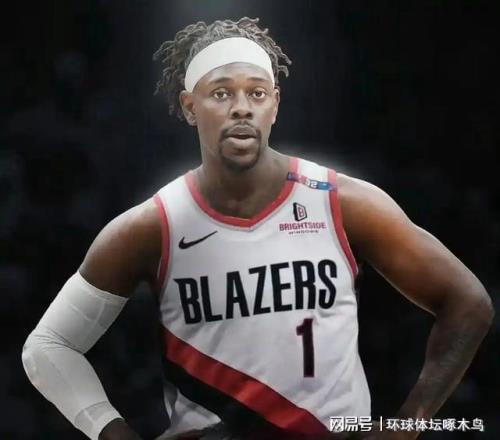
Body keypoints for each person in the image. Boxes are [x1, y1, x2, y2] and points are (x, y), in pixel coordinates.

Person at [22, 17, 494, 440]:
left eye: (257, 93)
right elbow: (47, 347)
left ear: (275, 104)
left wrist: (407, 426)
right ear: (189, 106)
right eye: (221, 93)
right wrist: (114, 433)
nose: (241, 108)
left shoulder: (343, 203)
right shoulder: (151, 226)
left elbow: (468, 303)